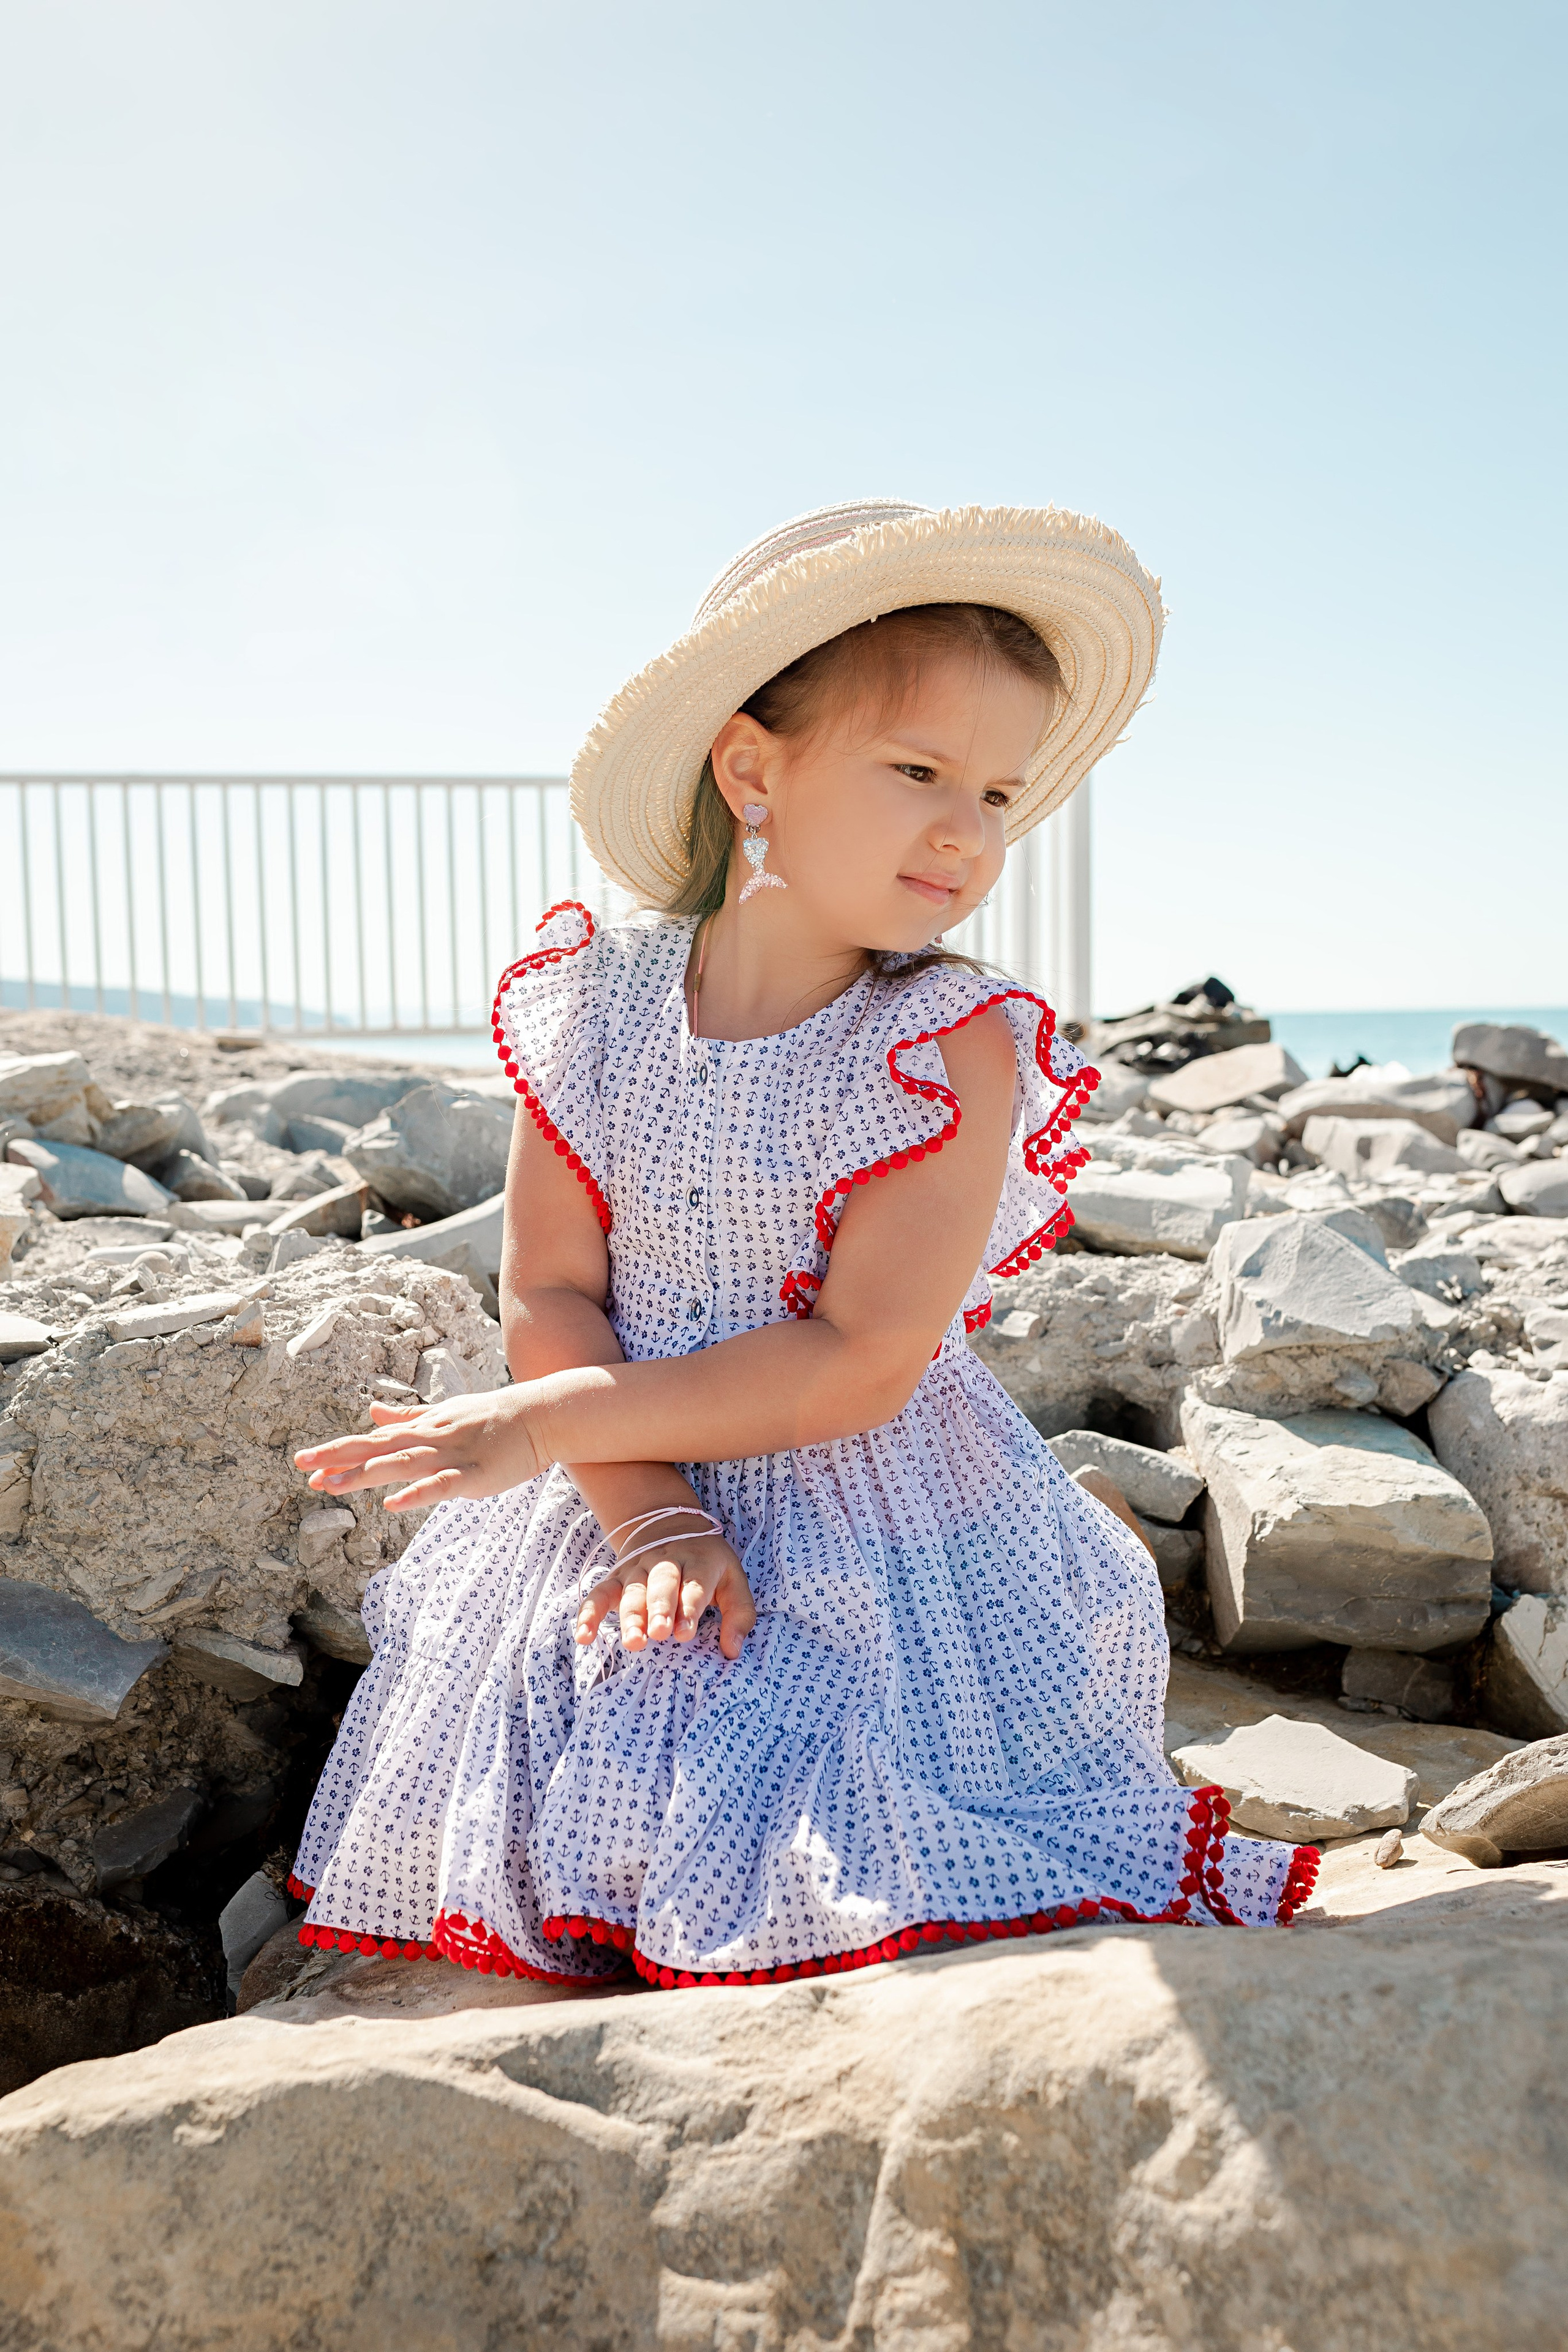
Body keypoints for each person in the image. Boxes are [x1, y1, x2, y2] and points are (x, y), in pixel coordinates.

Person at [288, 500, 1318, 1989]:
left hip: (867, 1503)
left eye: (999, 796)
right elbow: (554, 1289)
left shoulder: (937, 1043)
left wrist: (540, 1423)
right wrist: (645, 1508)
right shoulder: (596, 1010)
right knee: (582, 1707)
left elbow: (860, 1361)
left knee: (808, 1796)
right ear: (753, 767)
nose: (966, 833)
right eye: (915, 772)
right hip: (615, 1468)